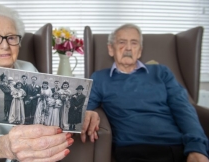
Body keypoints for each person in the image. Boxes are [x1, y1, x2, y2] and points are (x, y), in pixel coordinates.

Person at [0, 3, 87, 162]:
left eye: (11, 37)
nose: (5, 45)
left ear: (19, 43)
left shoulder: (28, 68)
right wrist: (5, 146)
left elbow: (45, 108)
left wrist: (83, 114)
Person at [87, 23, 209, 162]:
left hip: (178, 146)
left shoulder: (162, 73)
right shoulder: (100, 78)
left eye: (134, 43)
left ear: (139, 51)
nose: (128, 48)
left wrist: (196, 148)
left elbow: (183, 108)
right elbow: (84, 106)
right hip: (134, 148)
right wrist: (88, 111)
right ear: (111, 49)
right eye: (122, 42)